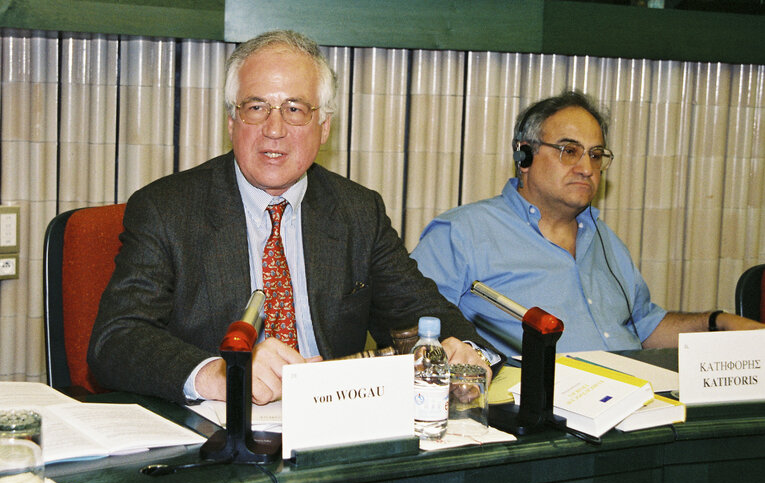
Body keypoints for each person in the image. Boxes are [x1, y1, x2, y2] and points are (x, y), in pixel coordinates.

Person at [88, 30, 499, 405]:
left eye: (295, 109)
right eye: (256, 107)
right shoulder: (167, 209)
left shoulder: (359, 211)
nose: (274, 128)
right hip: (220, 431)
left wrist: (466, 350)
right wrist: (218, 375)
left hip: (337, 426)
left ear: (324, 127)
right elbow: (116, 341)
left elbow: (422, 311)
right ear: (232, 121)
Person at [411, 90, 764, 357]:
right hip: (537, 415)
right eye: (569, 150)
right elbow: (415, 327)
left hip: (634, 404)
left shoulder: (605, 240)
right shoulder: (462, 233)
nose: (586, 167)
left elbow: (644, 326)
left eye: (596, 155)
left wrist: (718, 321)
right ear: (525, 155)